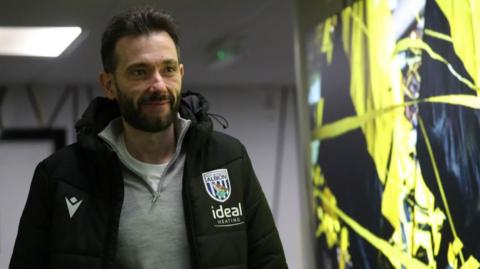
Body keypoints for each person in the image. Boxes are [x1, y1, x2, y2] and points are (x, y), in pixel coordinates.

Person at [9, 6, 287, 269]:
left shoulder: (229, 160)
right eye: (139, 72)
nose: (158, 85)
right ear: (109, 85)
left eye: (167, 69)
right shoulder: (60, 176)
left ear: (180, 74)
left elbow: (269, 262)